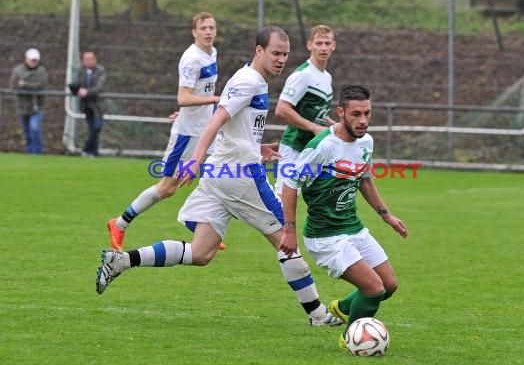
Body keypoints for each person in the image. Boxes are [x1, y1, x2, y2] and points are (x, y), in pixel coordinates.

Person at [96, 25, 343, 327]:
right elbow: (217, 120)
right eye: (276, 53)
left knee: (201, 252)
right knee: (286, 241)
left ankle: (121, 260)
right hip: (240, 177)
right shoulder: (249, 81)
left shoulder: (253, 80)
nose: (281, 59)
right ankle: (318, 316)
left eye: (285, 54)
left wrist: (256, 146)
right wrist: (196, 159)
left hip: (221, 174)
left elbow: (233, 125)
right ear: (259, 51)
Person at [278, 85, 409, 349]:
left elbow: (365, 179)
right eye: (356, 114)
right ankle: (352, 339)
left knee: (389, 285)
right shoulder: (322, 146)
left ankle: (341, 308)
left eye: (367, 114)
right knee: (374, 288)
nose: (363, 121)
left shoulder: (366, 142)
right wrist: (289, 230)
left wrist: (387, 216)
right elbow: (290, 184)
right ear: (340, 112)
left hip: (353, 228)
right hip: (325, 236)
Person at [105, 12, 225, 251]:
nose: (209, 32)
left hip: (206, 129)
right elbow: (183, 97)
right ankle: (119, 223)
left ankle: (201, 227)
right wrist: (213, 101)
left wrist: (201, 107)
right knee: (167, 187)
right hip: (187, 135)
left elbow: (195, 95)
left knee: (219, 174)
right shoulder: (191, 59)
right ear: (194, 32)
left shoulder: (212, 53)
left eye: (212, 27)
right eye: (204, 28)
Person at [273, 25, 336, 195]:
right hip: (294, 145)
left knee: (320, 197)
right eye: (319, 43)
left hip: (313, 148)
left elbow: (318, 114)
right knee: (282, 198)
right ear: (310, 45)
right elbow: (282, 109)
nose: (323, 47)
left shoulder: (326, 76)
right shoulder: (302, 75)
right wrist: (314, 128)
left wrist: (336, 127)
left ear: (333, 46)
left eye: (327, 43)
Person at [9, 48, 48, 154]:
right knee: (26, 131)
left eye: (35, 60)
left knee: (34, 128)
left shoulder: (41, 71)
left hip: (36, 106)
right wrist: (27, 85)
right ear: (26, 59)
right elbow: (14, 85)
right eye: (31, 60)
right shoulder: (18, 70)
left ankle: (37, 152)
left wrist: (25, 84)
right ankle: (29, 151)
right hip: (22, 106)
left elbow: (40, 85)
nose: (33, 62)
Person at [69, 50, 107, 157]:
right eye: (86, 59)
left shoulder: (100, 70)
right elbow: (77, 83)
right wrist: (76, 90)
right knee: (91, 128)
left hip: (98, 105)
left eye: (91, 59)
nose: (88, 61)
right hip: (86, 105)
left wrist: (86, 92)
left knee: (97, 127)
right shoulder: (81, 70)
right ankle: (93, 152)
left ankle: (87, 149)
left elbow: (99, 87)